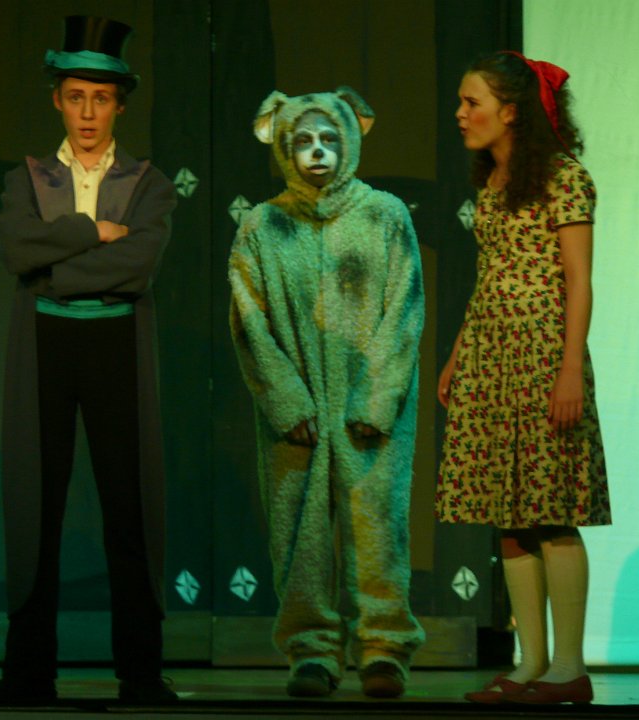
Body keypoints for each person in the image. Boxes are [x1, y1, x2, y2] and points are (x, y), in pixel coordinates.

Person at [0, 16, 177, 705]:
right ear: (57, 101)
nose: (88, 113)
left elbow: (136, 267)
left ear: (120, 105)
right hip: (47, 347)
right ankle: (28, 672)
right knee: (36, 505)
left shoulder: (148, 183)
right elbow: (16, 250)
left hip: (116, 346)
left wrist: (52, 267)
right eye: (76, 97)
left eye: (101, 98)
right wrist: (90, 230)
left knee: (129, 506)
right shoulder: (24, 180)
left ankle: (141, 674)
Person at [229, 87, 425, 699]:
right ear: (284, 147)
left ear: (351, 141)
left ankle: (384, 648)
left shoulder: (385, 215)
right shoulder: (262, 226)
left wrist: (377, 399)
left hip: (372, 408)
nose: (317, 152)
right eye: (304, 141)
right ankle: (311, 650)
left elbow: (404, 310)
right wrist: (286, 402)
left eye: (329, 140)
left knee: (378, 525)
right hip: (298, 413)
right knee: (299, 532)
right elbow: (249, 319)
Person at [435, 51, 611, 705]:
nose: (460, 114)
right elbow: (491, 276)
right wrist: (459, 353)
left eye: (471, 102)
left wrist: (569, 370)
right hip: (491, 358)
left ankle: (569, 668)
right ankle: (530, 663)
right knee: (508, 516)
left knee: (550, 509)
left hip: (542, 358)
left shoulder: (564, 178)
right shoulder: (493, 180)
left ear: (511, 111)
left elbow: (579, 281)